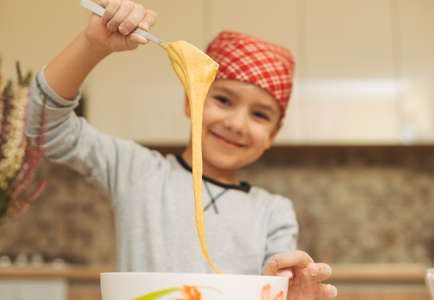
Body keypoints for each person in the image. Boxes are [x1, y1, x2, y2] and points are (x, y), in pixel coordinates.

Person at [26, 0, 337, 298]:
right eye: (224, 100)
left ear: (273, 134)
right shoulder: (137, 171)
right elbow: (43, 126)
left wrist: (286, 291)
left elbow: (277, 283)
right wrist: (91, 46)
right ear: (192, 100)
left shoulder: (273, 212)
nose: (237, 123)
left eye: (260, 115)